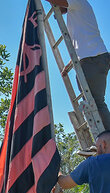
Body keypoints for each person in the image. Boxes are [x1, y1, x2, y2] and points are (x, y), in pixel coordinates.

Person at [46, 0, 110, 131]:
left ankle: (107, 140)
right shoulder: (75, 13)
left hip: (93, 58)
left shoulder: (77, 1)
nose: (57, 8)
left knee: (96, 102)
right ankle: (101, 138)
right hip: (90, 59)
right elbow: (79, 45)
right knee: (90, 102)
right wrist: (69, 65)